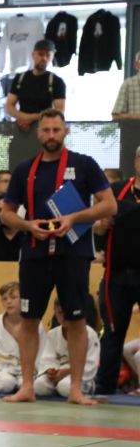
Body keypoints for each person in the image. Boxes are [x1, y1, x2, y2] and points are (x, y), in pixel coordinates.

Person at [1, 109, 116, 405]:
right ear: (38, 133)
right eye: (46, 130)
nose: (51, 135)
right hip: (35, 253)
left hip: (72, 253)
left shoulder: (84, 164)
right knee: (29, 319)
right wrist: (28, 225)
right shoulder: (25, 170)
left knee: (76, 320)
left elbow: (109, 205)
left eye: (56, 130)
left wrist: (74, 217)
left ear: (66, 131)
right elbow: (7, 213)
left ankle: (75, 389)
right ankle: (27, 386)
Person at [94, 146, 140, 394]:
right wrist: (100, 226)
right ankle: (105, 388)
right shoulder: (116, 190)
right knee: (112, 332)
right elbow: (97, 229)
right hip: (117, 275)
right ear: (136, 161)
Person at [5, 40, 66, 170]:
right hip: (21, 133)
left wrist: (29, 118)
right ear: (33, 55)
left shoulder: (56, 81)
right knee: (16, 171)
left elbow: (59, 111)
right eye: (41, 54)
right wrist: (22, 117)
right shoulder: (20, 78)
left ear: (52, 57)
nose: (44, 58)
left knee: (45, 172)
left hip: (45, 137)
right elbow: (9, 106)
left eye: (48, 55)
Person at [0, 282, 46, 394]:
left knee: (28, 386)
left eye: (13, 297)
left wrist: (39, 372)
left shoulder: (35, 323)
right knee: (4, 384)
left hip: (28, 369)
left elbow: (41, 351)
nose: (8, 302)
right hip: (3, 369)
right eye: (4, 299)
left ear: (23, 299)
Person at [34, 301, 100, 398]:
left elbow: (91, 364)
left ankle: (86, 388)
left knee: (65, 387)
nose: (64, 316)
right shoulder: (52, 334)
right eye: (60, 312)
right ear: (55, 313)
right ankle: (57, 388)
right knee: (38, 386)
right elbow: (47, 360)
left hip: (81, 376)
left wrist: (67, 371)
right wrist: (50, 371)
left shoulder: (89, 334)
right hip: (58, 375)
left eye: (67, 312)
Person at [111, 52, 140, 178]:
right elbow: (116, 115)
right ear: (136, 64)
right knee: (129, 177)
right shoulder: (128, 84)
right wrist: (137, 117)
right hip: (131, 143)